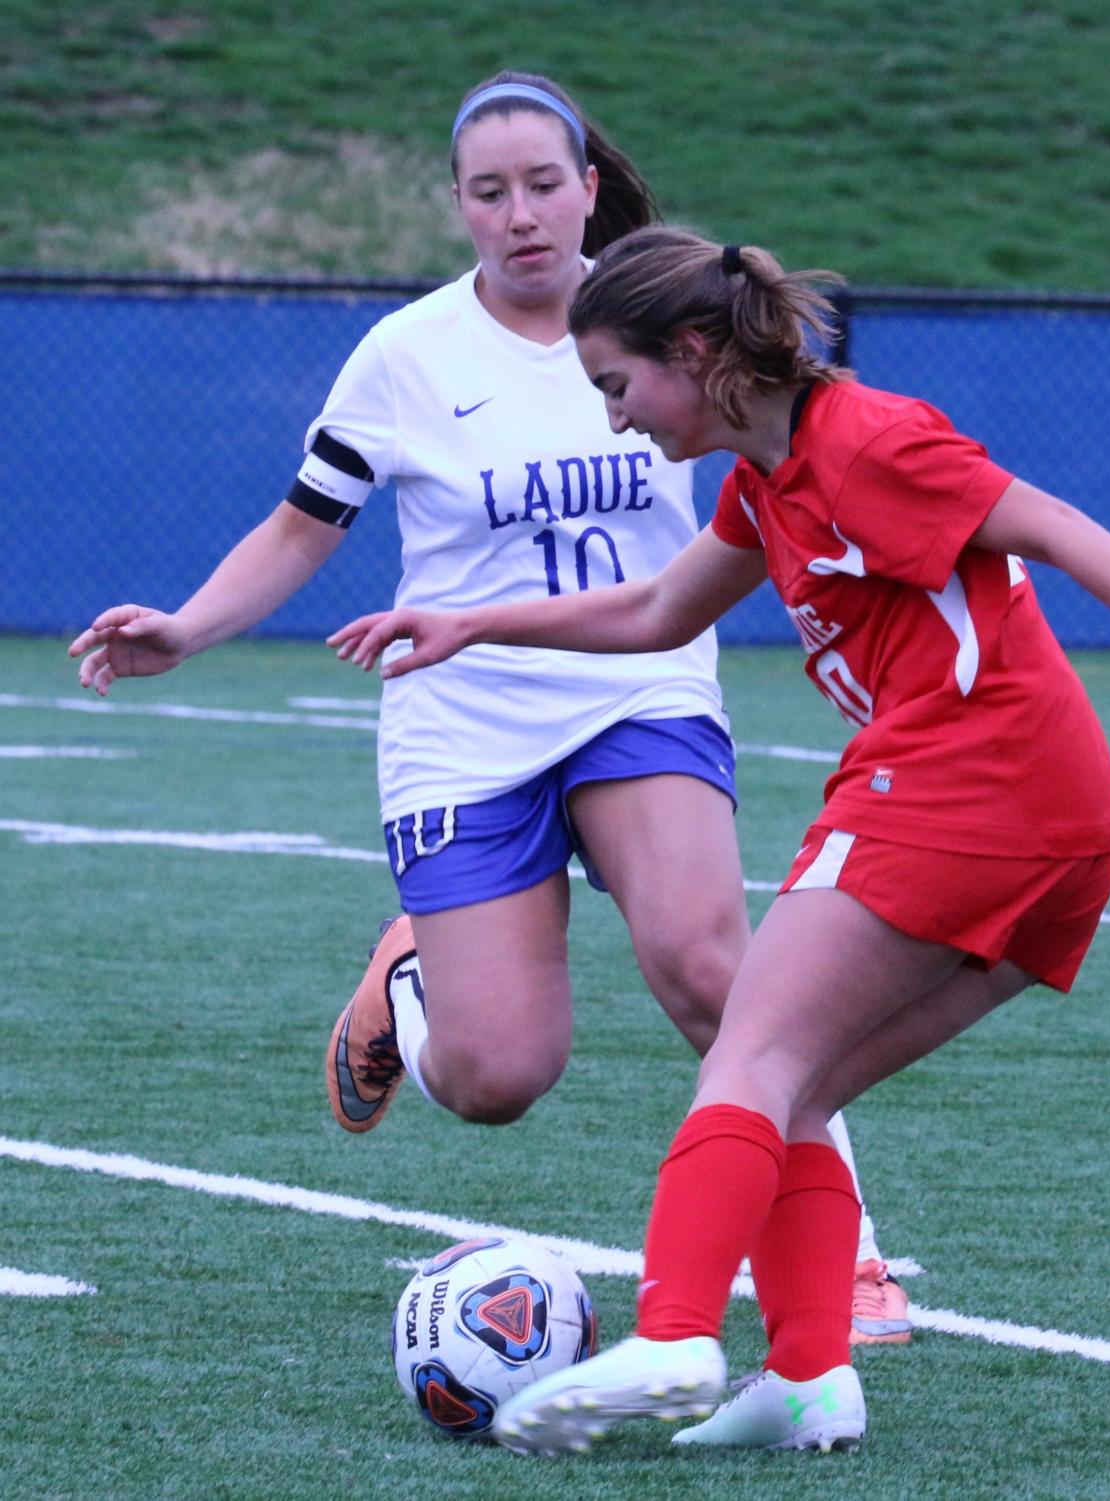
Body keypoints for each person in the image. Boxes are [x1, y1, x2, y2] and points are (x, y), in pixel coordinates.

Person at [327, 225, 1110, 1455]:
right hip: (1056, 822)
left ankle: (675, 1332)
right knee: (801, 1088)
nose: (619, 422)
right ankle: (808, 1377)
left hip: (965, 779)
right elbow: (653, 609)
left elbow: (1051, 525)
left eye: (619, 388)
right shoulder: (766, 478)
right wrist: (475, 621)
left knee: (747, 1053)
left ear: (693, 352)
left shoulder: (867, 441)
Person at [65, 79, 908, 1345]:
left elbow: (806, 447)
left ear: (587, 184)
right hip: (463, 714)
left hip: (641, 683)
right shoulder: (407, 354)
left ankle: (849, 1258)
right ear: (458, 204)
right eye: (488, 192)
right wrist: (186, 626)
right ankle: (412, 983)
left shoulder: (675, 318)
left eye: (542, 184)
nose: (520, 216)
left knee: (711, 965)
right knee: (498, 1076)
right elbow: (305, 528)